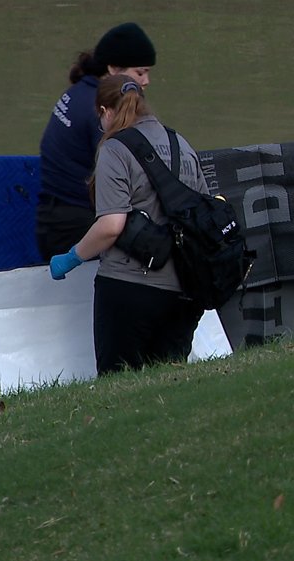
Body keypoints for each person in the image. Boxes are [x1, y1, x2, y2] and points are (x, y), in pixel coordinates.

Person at [48, 74, 210, 375]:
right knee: (169, 384)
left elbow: (111, 225)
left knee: (118, 385)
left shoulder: (116, 149)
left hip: (130, 287)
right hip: (184, 292)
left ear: (105, 111)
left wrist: (71, 257)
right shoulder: (182, 144)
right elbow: (204, 212)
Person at [35, 22, 157, 260]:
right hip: (75, 230)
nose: (146, 81)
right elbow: (130, 178)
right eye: (140, 73)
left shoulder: (79, 91)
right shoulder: (103, 111)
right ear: (113, 68)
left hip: (51, 221)